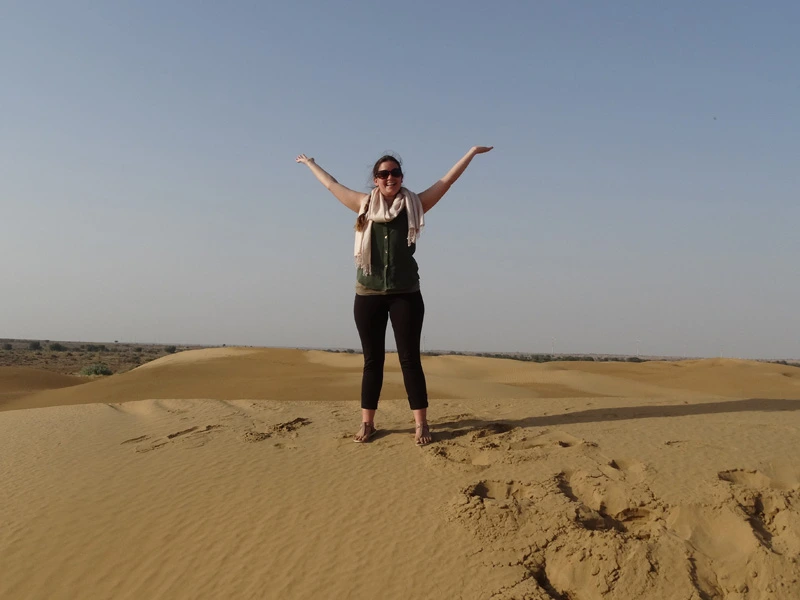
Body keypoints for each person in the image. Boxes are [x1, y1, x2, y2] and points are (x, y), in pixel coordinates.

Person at [295, 146, 493, 445]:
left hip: (406, 294)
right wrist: (311, 163)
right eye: (384, 174)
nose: (390, 178)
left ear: (401, 177)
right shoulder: (362, 204)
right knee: (372, 361)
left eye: (395, 173)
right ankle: (367, 422)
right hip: (368, 293)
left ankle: (421, 425)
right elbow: (332, 184)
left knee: (410, 360)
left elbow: (446, 182)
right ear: (375, 180)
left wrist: (471, 153)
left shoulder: (415, 204)